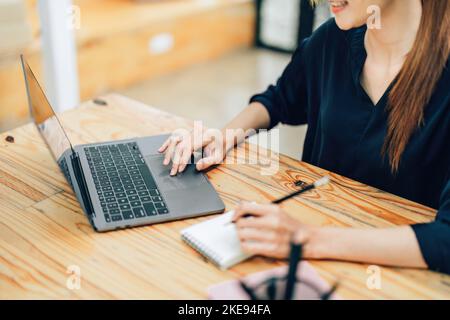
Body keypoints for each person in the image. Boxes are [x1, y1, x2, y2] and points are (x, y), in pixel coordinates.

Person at [159, 0, 450, 274]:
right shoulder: (333, 39)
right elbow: (280, 99)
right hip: (311, 263)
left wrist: (307, 239)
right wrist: (223, 137)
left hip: (397, 276)